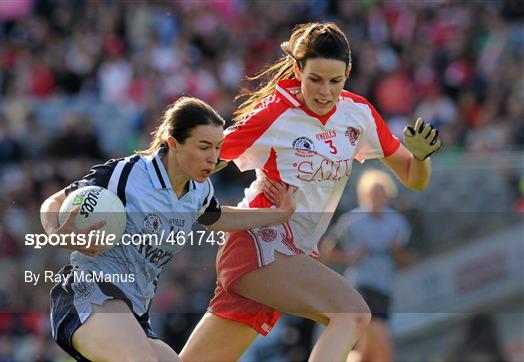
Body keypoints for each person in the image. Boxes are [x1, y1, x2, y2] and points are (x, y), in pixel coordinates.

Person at [180, 22, 442, 362]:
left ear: (347, 73)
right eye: (315, 79)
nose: (324, 91)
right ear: (297, 69)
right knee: (352, 314)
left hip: (290, 254)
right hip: (260, 243)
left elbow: (414, 178)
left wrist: (421, 157)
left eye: (335, 81)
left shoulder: (358, 114)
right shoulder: (275, 113)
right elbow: (206, 157)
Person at [40, 96, 296, 362]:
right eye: (204, 146)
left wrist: (279, 215)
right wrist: (55, 231)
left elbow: (216, 218)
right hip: (88, 292)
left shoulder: (200, 190)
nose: (213, 157)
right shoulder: (127, 174)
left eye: (218, 147)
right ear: (173, 143)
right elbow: (56, 201)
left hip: (134, 311)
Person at [320, 169, 412, 362]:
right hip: (361, 286)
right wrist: (351, 256)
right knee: (381, 341)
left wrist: (396, 250)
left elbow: (407, 261)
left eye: (381, 193)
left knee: (366, 352)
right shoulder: (352, 221)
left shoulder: (397, 222)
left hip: (384, 288)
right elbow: (326, 253)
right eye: (373, 194)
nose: (377, 199)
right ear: (364, 195)